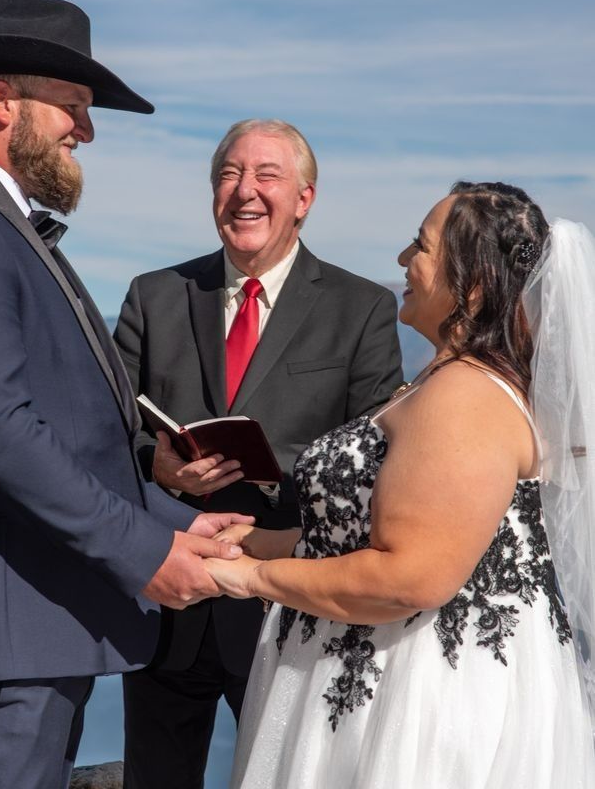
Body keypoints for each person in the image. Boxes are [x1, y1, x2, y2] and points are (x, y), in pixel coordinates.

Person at [0, 0, 250, 789]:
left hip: (27, 644)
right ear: (3, 100)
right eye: (74, 106)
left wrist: (180, 521)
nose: (88, 129)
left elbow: (76, 436)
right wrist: (144, 552)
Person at [208, 181, 595, 788]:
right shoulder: (436, 386)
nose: (400, 261)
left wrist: (248, 578)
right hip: (362, 680)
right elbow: (364, 532)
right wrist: (254, 540)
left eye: (421, 246)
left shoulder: (464, 399)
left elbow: (410, 575)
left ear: (472, 285)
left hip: (415, 703)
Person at [114, 118, 404, 789]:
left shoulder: (360, 308)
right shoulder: (153, 296)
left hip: (289, 611)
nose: (244, 191)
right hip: (166, 601)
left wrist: (272, 472)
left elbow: (373, 453)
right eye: (228, 174)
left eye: (266, 176)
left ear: (304, 198)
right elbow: (105, 428)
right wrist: (154, 464)